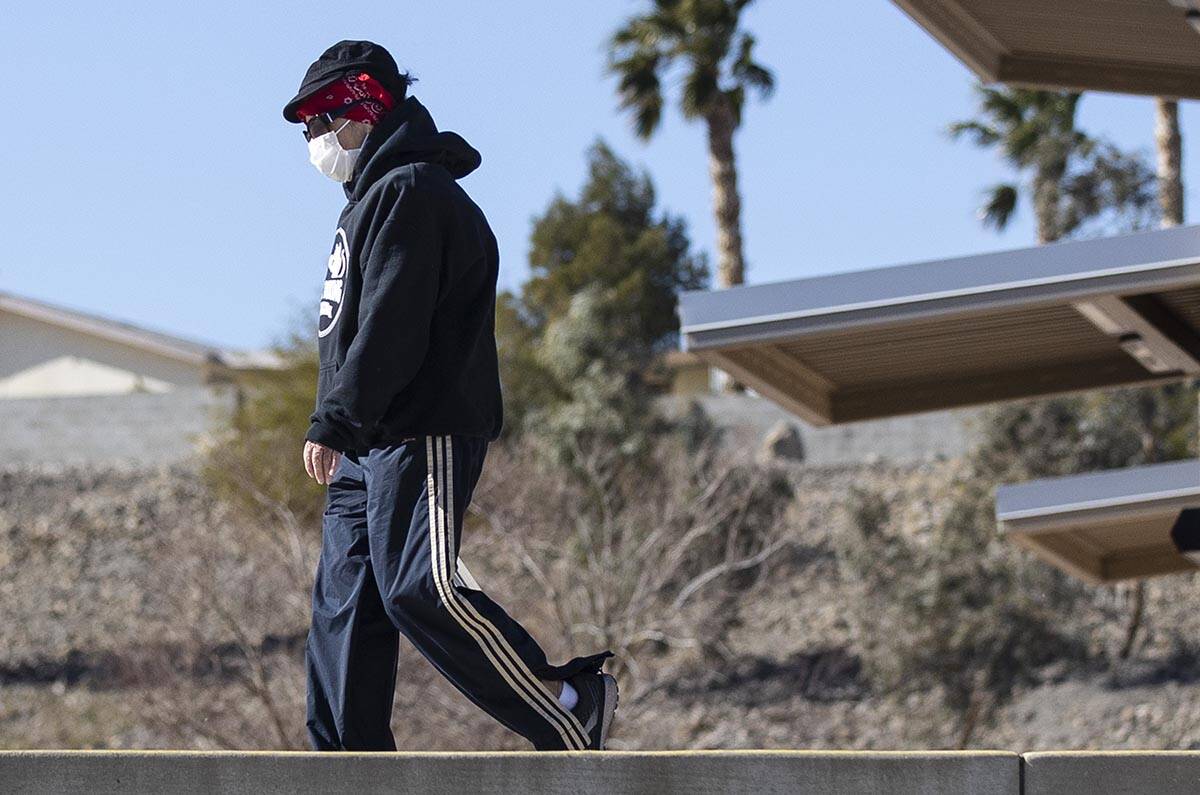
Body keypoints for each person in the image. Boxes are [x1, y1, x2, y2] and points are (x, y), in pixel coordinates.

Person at [282, 40, 618, 752]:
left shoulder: (414, 192)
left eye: (320, 120)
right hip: (366, 442)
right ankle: (347, 760)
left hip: (419, 428)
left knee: (418, 588)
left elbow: (393, 321)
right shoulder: (371, 201)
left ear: (364, 108)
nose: (313, 140)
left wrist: (337, 418)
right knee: (345, 606)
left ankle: (568, 703)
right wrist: (343, 423)